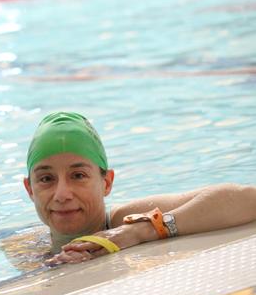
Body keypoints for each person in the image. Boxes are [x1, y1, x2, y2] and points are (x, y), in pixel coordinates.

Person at [21, 112, 256, 265]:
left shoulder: (122, 220)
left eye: (78, 175)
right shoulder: (23, 248)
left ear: (106, 183)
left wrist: (142, 231)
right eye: (46, 179)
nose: (62, 194)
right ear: (29, 189)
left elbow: (246, 198)